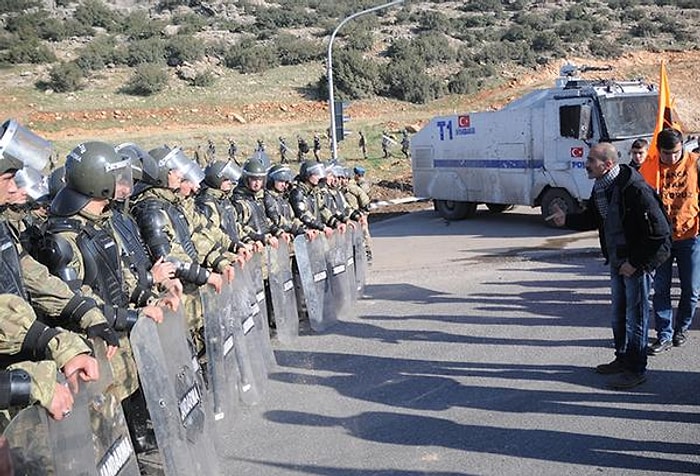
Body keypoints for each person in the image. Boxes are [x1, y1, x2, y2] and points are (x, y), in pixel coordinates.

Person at [550, 142, 671, 390]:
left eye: (591, 160)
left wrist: (635, 263)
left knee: (635, 316)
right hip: (617, 261)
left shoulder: (635, 190)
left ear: (608, 164)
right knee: (618, 313)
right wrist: (567, 219)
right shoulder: (601, 186)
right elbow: (594, 217)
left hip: (635, 264)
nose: (586, 164)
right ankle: (622, 358)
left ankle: (636, 369)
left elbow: (660, 233)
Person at [648, 128, 700, 355]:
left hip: (690, 237)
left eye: (676, 152)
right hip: (661, 240)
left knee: (691, 289)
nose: (671, 158)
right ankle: (664, 334)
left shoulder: (695, 163)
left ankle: (682, 328)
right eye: (666, 153)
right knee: (661, 289)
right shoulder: (651, 168)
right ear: (658, 150)